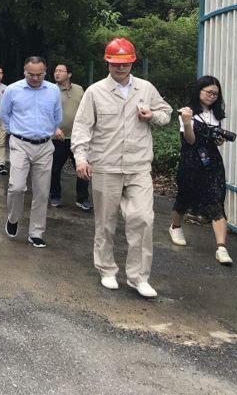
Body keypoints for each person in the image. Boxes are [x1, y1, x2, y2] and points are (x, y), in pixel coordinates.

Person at [71, 38, 172, 298]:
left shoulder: (145, 88)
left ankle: (139, 277)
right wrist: (81, 158)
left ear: (132, 63)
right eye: (116, 63)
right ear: (107, 62)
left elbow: (166, 113)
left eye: (125, 63)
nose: (121, 68)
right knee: (106, 221)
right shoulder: (95, 92)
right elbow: (82, 127)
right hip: (105, 165)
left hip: (138, 165)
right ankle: (106, 269)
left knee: (143, 218)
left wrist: (152, 115)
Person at [0, 57, 62, 248]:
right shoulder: (12, 90)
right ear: (24, 71)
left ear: (45, 72)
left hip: (45, 145)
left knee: (42, 191)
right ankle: (13, 218)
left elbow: (57, 115)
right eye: (31, 74)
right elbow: (5, 115)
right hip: (20, 143)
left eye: (39, 74)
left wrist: (49, 131)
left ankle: (36, 232)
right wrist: (16, 132)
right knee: (17, 187)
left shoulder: (53, 90)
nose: (35, 78)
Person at [170, 76, 233, 265]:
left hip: (212, 162)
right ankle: (175, 226)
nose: (212, 96)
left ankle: (221, 248)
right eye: (209, 92)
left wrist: (218, 140)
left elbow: (212, 140)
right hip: (191, 160)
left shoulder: (216, 114)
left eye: (216, 94)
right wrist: (187, 122)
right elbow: (190, 140)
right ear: (199, 91)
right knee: (185, 196)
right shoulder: (187, 112)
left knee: (216, 199)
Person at [49, 63, 92, 210]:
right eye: (56, 71)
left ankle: (83, 198)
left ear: (69, 74)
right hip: (58, 138)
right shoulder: (50, 90)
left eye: (61, 71)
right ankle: (55, 195)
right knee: (55, 169)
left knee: (82, 167)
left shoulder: (79, 89)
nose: (57, 73)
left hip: (78, 138)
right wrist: (54, 128)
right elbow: (45, 111)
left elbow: (86, 110)